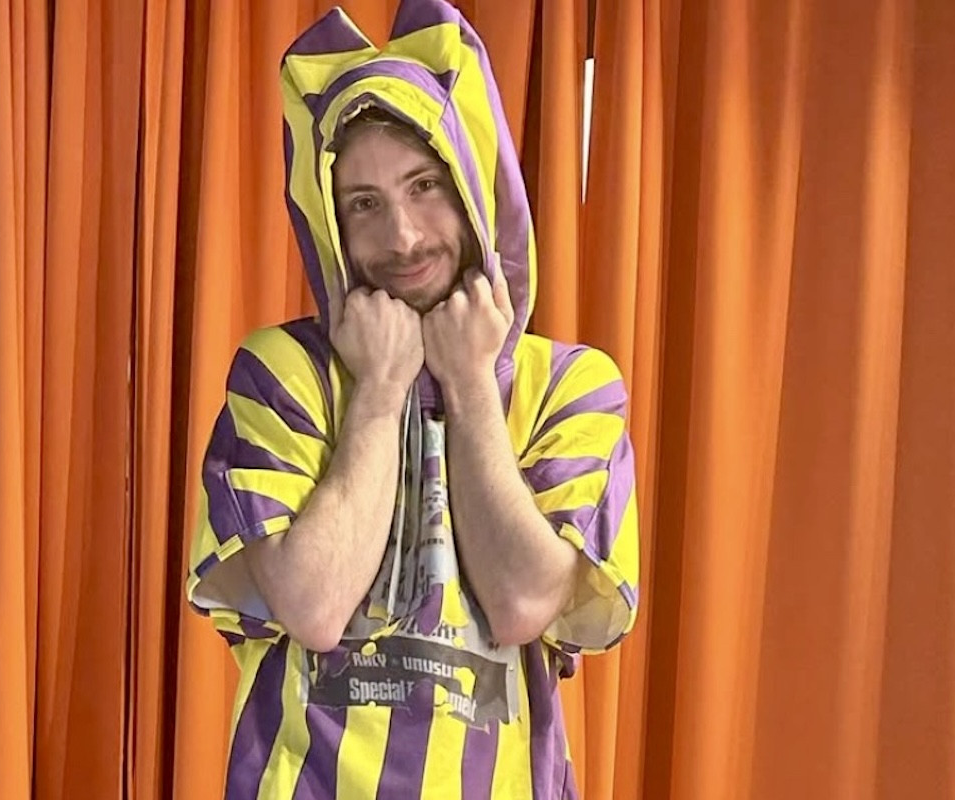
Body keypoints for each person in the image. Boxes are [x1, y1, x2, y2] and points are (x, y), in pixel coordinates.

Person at [186, 1, 640, 797]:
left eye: (424, 186)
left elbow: (524, 602)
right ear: (330, 225)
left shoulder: (570, 386)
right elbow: (313, 607)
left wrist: (469, 384)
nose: (402, 238)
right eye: (364, 203)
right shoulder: (282, 373)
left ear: (474, 190)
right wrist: (378, 391)